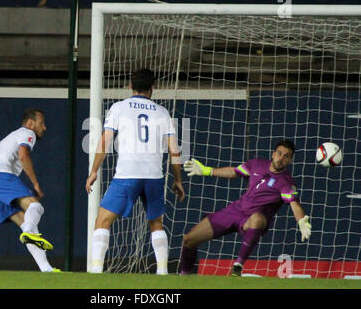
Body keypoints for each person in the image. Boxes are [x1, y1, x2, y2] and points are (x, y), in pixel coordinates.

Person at [86, 69, 186, 275]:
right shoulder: (162, 112)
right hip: (154, 176)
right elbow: (174, 151)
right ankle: (162, 271)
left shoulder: (119, 108)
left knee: (102, 220)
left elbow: (104, 142)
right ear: (152, 88)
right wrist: (178, 180)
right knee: (156, 222)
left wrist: (94, 171)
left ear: (130, 86)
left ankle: (96, 270)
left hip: (127, 174)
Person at [181, 140, 311, 276]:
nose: (281, 158)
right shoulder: (256, 164)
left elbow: (294, 204)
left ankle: (238, 265)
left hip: (251, 220)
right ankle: (185, 276)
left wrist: (301, 221)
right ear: (273, 154)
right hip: (234, 211)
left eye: (286, 156)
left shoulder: (286, 182)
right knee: (189, 239)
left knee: (258, 219)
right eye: (279, 153)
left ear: (290, 160)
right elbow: (234, 171)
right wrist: (207, 171)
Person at [0, 108, 61, 273]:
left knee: (26, 223)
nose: (44, 128)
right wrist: (36, 184)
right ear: (31, 123)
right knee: (36, 207)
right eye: (41, 123)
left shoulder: (13, 135)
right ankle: (29, 232)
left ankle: (46, 269)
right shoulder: (26, 133)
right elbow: (24, 156)